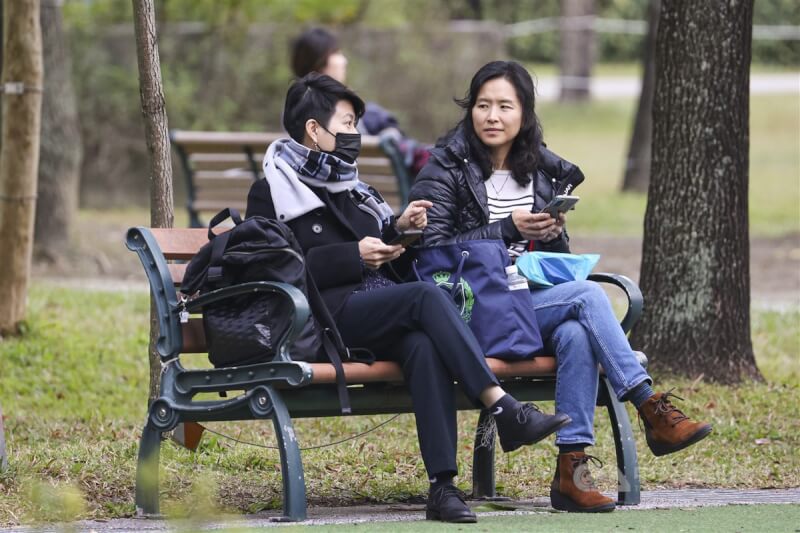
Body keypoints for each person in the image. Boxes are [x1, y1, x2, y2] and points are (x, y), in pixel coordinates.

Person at [246, 72, 572, 524]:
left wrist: (401, 231)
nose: (355, 134)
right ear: (314, 130)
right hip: (319, 320)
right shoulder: (273, 192)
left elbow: (386, 253)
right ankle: (503, 407)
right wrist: (353, 256)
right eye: (346, 123)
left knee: (422, 344)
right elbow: (276, 268)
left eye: (357, 123)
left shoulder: (353, 190)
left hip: (371, 309)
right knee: (421, 298)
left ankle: (442, 487)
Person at [409, 60, 713, 513]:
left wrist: (552, 235)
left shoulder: (539, 171)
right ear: (469, 110)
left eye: (504, 107)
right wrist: (506, 229)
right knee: (589, 296)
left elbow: (553, 262)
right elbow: (431, 251)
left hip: (526, 302)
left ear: (525, 115)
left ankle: (572, 471)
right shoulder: (445, 168)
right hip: (469, 309)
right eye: (483, 105)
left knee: (576, 334)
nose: (492, 116)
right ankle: (649, 404)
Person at [290, 27, 430, 174]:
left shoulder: (293, 109)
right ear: (319, 61)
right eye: (336, 53)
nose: (344, 60)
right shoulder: (338, 110)